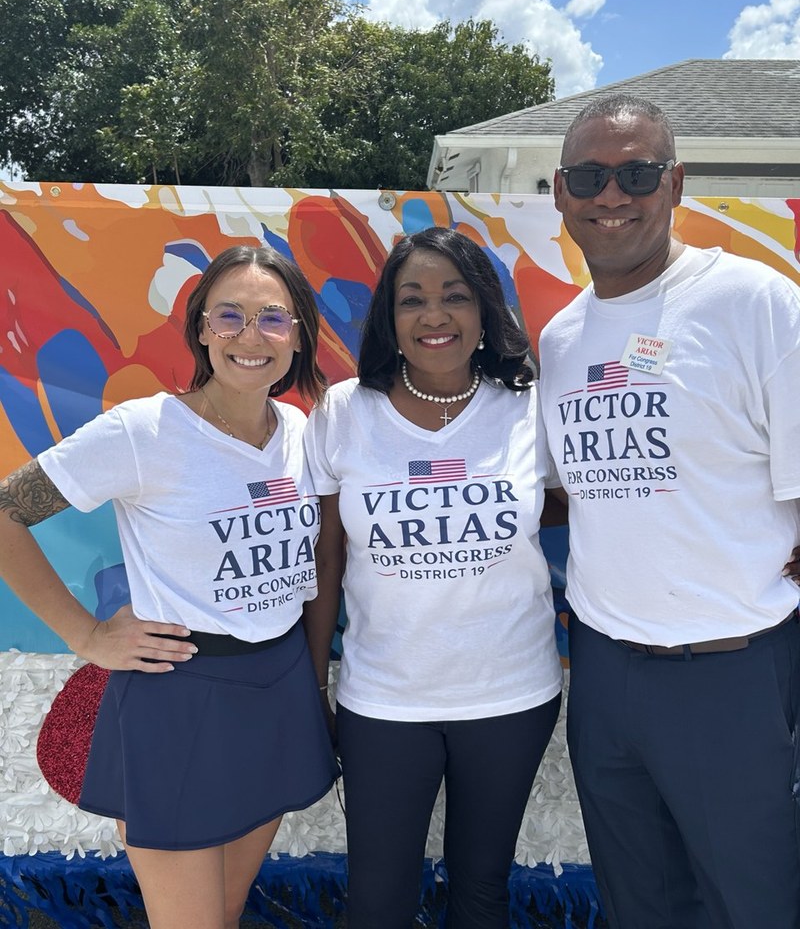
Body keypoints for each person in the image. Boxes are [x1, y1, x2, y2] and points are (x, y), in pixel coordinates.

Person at [0, 245, 339, 929]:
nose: (251, 335)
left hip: (275, 685)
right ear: (202, 330)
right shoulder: (145, 430)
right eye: (230, 316)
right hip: (181, 695)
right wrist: (87, 635)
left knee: (227, 911)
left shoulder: (301, 431)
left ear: (299, 333)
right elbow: (6, 513)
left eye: (273, 318)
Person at [538, 93, 800, 929]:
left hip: (730, 669)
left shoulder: (754, 301)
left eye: (636, 172)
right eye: (589, 176)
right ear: (559, 192)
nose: (610, 195)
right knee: (638, 903)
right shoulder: (560, 338)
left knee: (751, 903)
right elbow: (559, 488)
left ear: (675, 181)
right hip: (606, 674)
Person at [303, 226, 563, 929]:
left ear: (484, 310)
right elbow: (327, 558)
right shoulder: (343, 411)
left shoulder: (532, 407)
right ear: (389, 317)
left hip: (511, 693)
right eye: (412, 299)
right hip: (384, 699)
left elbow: (596, 502)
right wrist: (313, 679)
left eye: (455, 296)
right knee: (378, 901)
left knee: (481, 889)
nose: (434, 316)